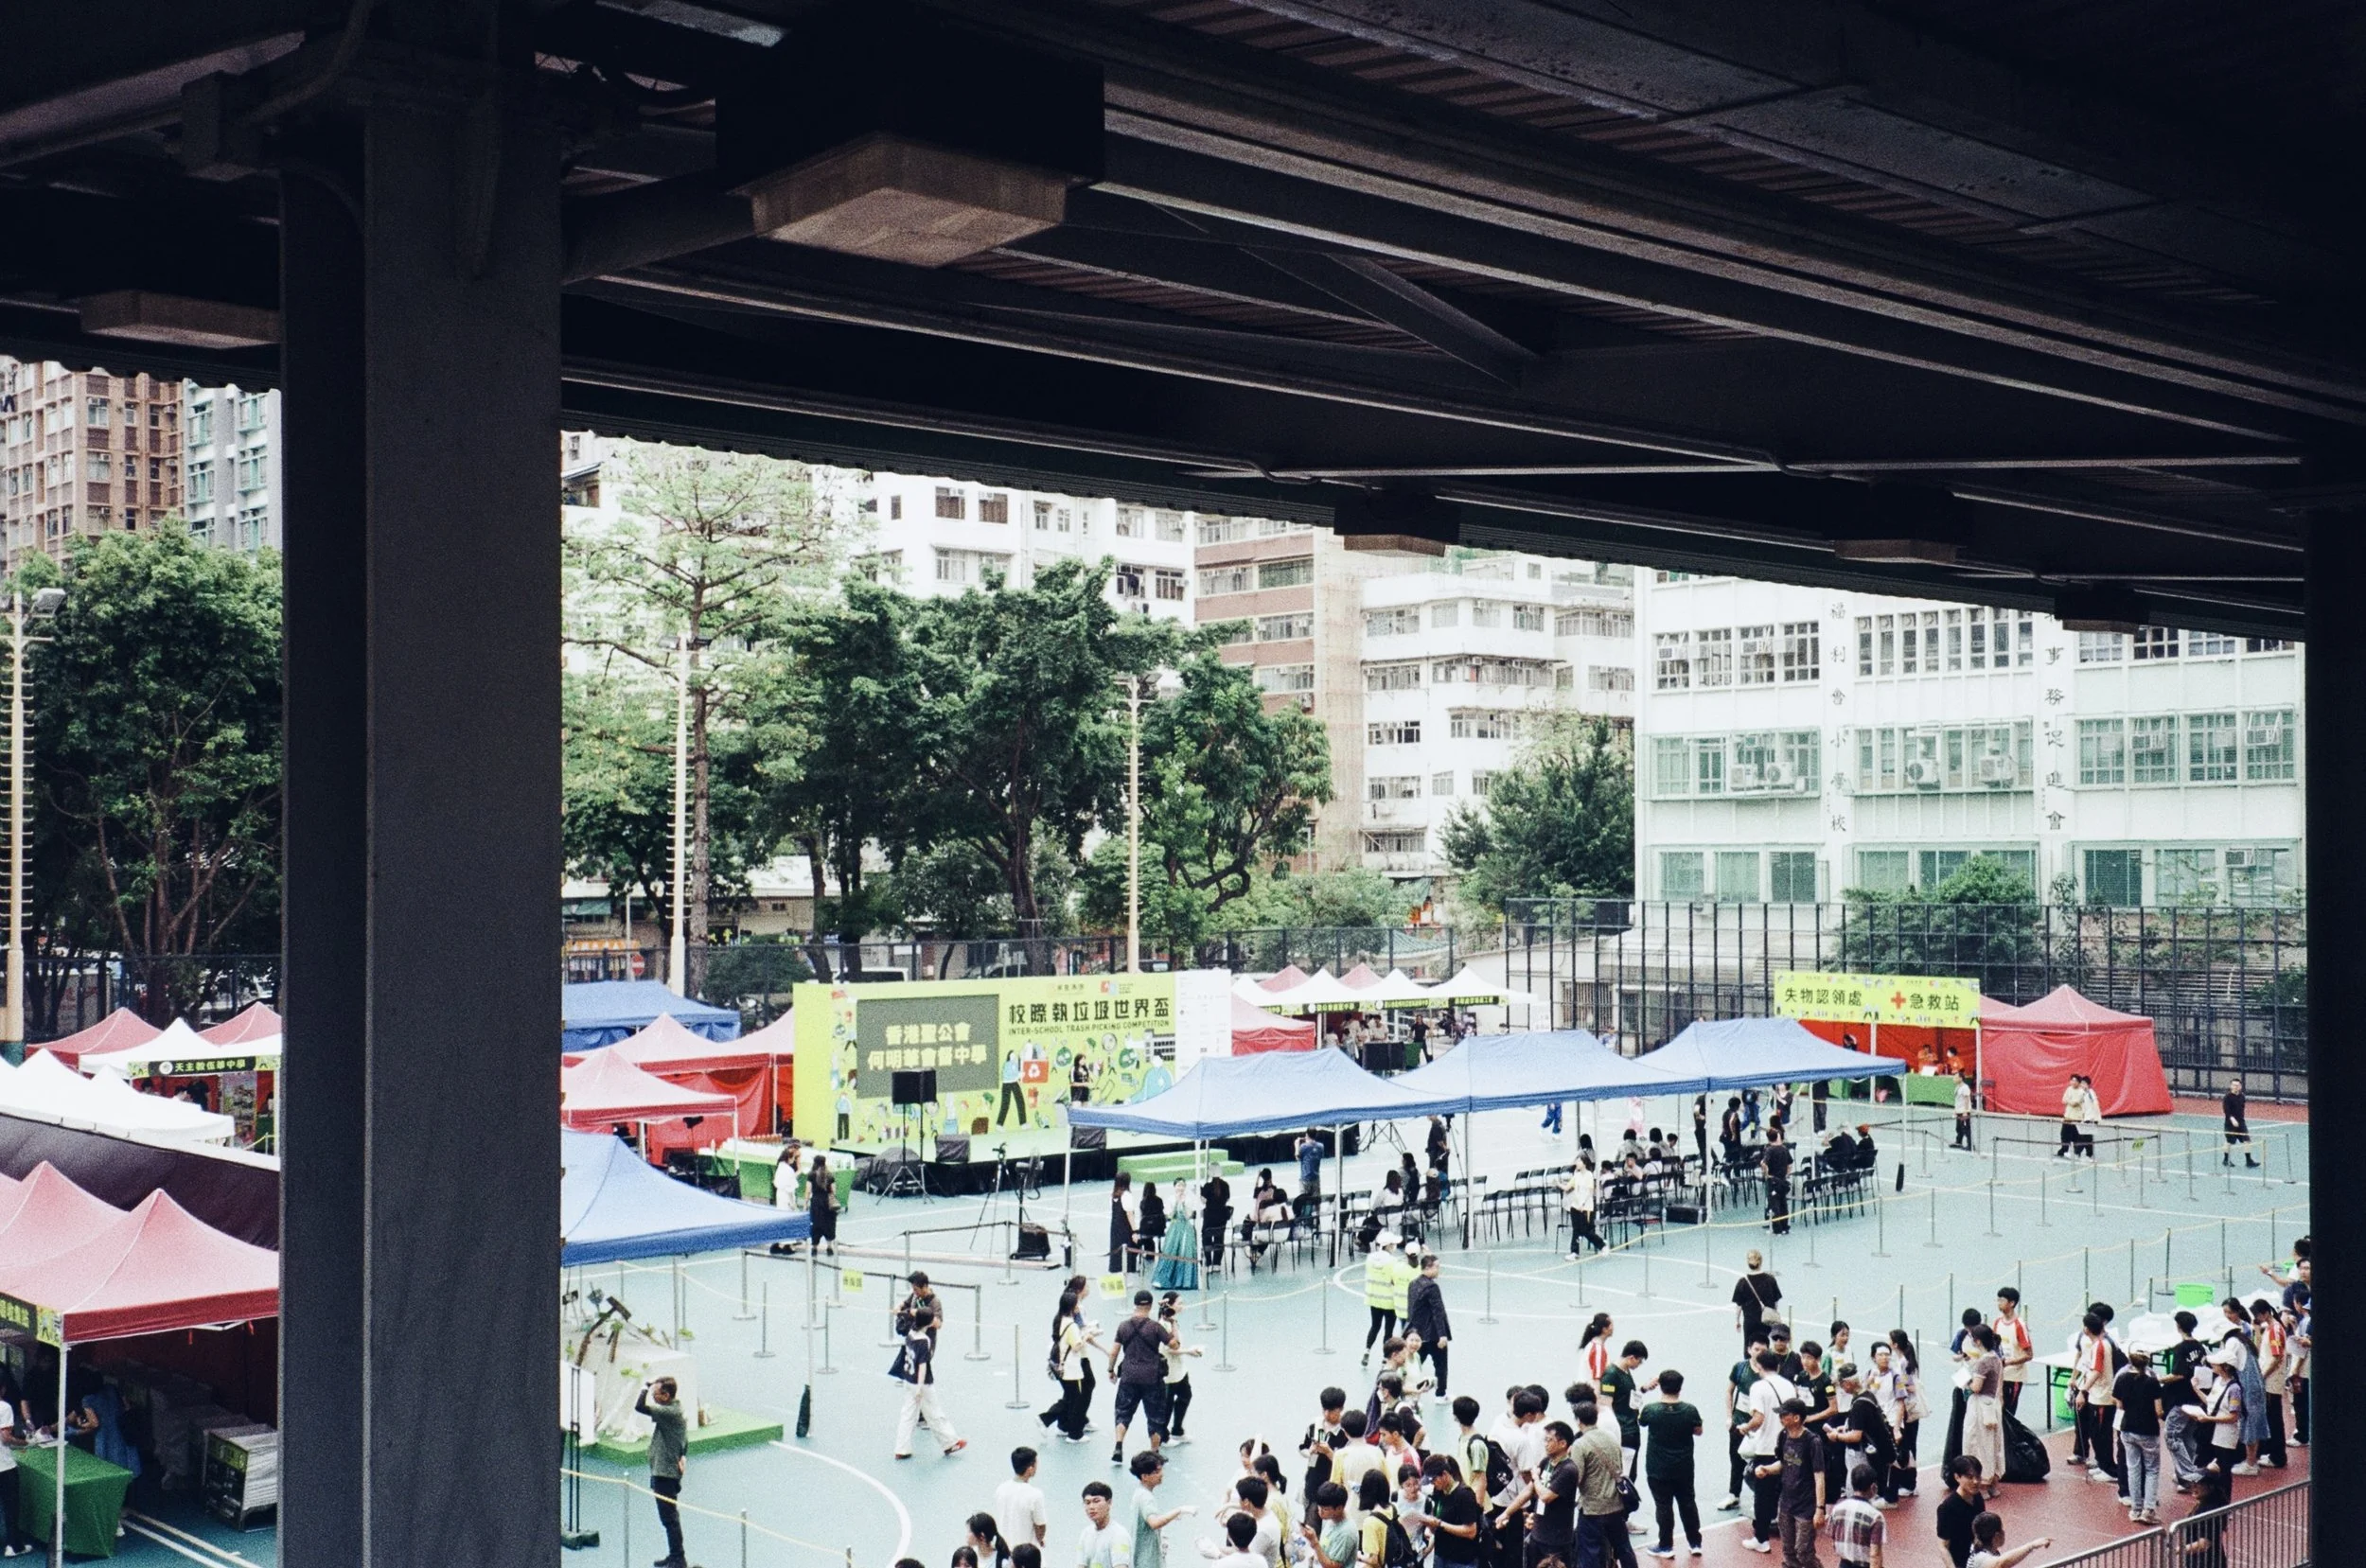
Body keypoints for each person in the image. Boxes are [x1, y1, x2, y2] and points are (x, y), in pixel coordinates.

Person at [1634, 1369, 1702, 1560]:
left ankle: (1666, 1545)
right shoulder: (1690, 1410)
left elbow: (1640, 1420)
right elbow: (1698, 1431)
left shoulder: (1651, 1410)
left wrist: (1644, 1388)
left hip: (1658, 1469)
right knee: (1688, 1503)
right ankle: (1695, 1543)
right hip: (1684, 1467)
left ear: (1661, 1386)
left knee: (1663, 1506)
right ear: (1680, 1388)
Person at [1739, 1349, 1798, 1554]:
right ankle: (1792, 1535)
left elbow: (1758, 1419)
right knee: (1788, 1491)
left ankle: (1761, 1538)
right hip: (1789, 1444)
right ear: (1778, 1366)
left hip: (1767, 1447)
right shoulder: (1789, 1385)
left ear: (1758, 1366)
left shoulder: (1758, 1387)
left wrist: (1744, 1427)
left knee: (1763, 1496)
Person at [1111, 1290, 1176, 1467]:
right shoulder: (1155, 1327)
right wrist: (1173, 1323)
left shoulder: (1123, 1326)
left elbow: (1115, 1351)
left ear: (1135, 1304)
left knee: (1123, 1412)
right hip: (1152, 1378)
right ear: (1150, 1305)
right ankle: (1155, 1453)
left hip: (1129, 1376)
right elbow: (1174, 1345)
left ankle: (1118, 1445)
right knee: (1155, 1416)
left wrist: (1111, 1370)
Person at [1755, 1400, 1823, 1567]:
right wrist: (1767, 1469)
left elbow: (1819, 1476)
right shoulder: (1783, 1436)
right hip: (1786, 1503)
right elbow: (1783, 1463)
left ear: (1796, 1418)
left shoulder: (1812, 1442)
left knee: (1803, 1551)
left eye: (1784, 1415)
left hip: (1805, 1505)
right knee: (1788, 1551)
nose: (1780, 1418)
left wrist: (1820, 1509)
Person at [892, 1304, 966, 1458]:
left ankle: (901, 1448)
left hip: (908, 1379)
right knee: (934, 1412)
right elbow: (923, 1365)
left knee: (907, 1415)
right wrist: (920, 1388)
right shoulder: (924, 1340)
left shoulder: (911, 1333)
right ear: (927, 1323)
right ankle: (950, 1442)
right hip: (922, 1384)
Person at [636, 1376, 691, 1568]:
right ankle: (675, 1554)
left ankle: (679, 1558)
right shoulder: (675, 1410)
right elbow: (684, 1437)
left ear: (666, 1396)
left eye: (655, 1394)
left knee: (670, 1518)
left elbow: (639, 1407)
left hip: (665, 1473)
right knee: (669, 1518)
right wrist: (683, 1455)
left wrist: (644, 1387)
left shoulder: (669, 1412)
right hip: (663, 1470)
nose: (653, 1397)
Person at [1571, 1400, 1633, 1568]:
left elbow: (1576, 1477)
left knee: (1590, 1553)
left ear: (1578, 1420)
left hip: (1592, 1509)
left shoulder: (1580, 1445)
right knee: (1624, 1548)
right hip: (1615, 1505)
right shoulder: (1611, 1437)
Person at [1515, 1420, 1580, 1568]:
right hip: (1538, 1534)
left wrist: (1536, 1477)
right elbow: (1529, 1490)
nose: (1545, 1444)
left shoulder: (1568, 1469)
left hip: (1556, 1541)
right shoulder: (1546, 1462)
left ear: (1563, 1444)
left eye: (1549, 1440)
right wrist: (1507, 1513)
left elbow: (1545, 1496)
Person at [2113, 1348, 2164, 1524]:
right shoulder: (2152, 1382)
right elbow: (2159, 1411)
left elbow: (2119, 1405)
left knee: (2133, 1468)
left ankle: (2136, 1509)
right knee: (2151, 1469)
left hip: (2127, 1428)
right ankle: (2148, 1509)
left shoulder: (2121, 1378)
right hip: (2148, 1429)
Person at [1959, 1328, 2004, 1494]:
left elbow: (1976, 1387)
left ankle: (1981, 1484)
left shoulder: (1983, 1362)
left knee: (1977, 1444)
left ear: (1977, 1341)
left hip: (1979, 1407)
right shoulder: (1996, 1359)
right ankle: (1992, 1483)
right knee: (1993, 1444)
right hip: (1992, 1404)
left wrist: (1965, 1381)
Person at [1128, 1451, 1192, 1568]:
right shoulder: (1146, 1497)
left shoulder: (1139, 1493)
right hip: (1147, 1561)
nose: (1162, 1474)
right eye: (1157, 1472)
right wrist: (1179, 1510)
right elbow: (1155, 1523)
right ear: (1145, 1477)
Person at [1421, 1452, 1483, 1568]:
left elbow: (1470, 1531)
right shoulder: (1439, 1492)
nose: (1433, 1484)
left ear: (1444, 1475)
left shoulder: (1464, 1495)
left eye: (1434, 1480)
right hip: (1441, 1555)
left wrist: (1440, 1524)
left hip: (1461, 1560)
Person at [1157, 1294, 1205, 1443]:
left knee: (1185, 1396)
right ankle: (1163, 1436)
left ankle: (1177, 1430)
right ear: (1170, 1305)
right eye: (1179, 1303)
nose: (1182, 1305)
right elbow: (1169, 1349)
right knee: (1167, 1404)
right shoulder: (1163, 1325)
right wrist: (1189, 1351)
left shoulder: (1173, 1321)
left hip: (1180, 1369)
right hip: (1169, 1372)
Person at [1407, 1252, 1455, 1401]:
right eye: (1437, 1267)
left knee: (1414, 1362)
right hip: (1433, 1334)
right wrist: (1442, 1334)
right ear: (1428, 1267)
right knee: (1441, 1365)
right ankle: (1440, 1394)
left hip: (1418, 1334)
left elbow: (1411, 1309)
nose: (1439, 1270)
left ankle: (1408, 1388)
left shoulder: (1413, 1284)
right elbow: (1438, 1311)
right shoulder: (1432, 1288)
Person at [1363, 1234, 1411, 1365]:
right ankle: (1385, 1357)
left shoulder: (1370, 1258)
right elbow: (1395, 1279)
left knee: (1375, 1326)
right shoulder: (1393, 1262)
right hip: (1389, 1301)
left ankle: (1367, 1350)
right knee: (1388, 1331)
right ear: (1389, 1245)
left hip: (1374, 1298)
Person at [1826, 1465, 1884, 1568]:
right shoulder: (1875, 1516)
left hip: (1844, 1562)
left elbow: (1833, 1539)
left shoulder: (1837, 1509)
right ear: (1873, 1487)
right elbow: (1875, 1554)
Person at [1933, 1458, 1985, 1568]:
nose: (1975, 1481)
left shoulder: (1978, 1497)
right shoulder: (1947, 1508)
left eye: (1978, 1476)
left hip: (1978, 1559)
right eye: (1970, 1477)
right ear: (1957, 1477)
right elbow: (1943, 1546)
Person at [998, 1448, 1051, 1551]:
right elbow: (1040, 1526)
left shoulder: (1001, 1489)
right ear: (1030, 1469)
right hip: (1026, 1551)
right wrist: (1040, 1539)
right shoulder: (1035, 1494)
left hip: (1005, 1549)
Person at [1991, 1289, 2032, 1418]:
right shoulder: (1997, 1322)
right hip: (1998, 1376)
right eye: (1998, 1300)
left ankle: (2010, 1439)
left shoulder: (2019, 1325)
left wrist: (2008, 1362)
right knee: (1996, 1411)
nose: (1999, 1303)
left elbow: (2029, 1355)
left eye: (2002, 1300)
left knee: (2008, 1414)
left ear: (2012, 1303)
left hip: (2013, 1377)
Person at [1732, 1253, 1782, 1350]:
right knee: (1764, 1345)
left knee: (1749, 1346)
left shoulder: (1742, 1282)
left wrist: (1737, 1321)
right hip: (1766, 1320)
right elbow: (1776, 1303)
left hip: (1750, 1321)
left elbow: (1739, 1306)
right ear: (1761, 1263)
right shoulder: (1770, 1280)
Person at [1079, 1482, 1134, 1568]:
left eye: (1096, 1501)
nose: (1091, 1507)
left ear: (1109, 1502)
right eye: (1087, 1503)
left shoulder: (1119, 1535)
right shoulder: (1086, 1534)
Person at [1962, 1513, 2048, 1568]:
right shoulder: (1979, 1557)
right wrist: (2031, 1546)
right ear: (1997, 1536)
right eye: (2001, 1529)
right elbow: (2001, 1563)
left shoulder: (1990, 1552)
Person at [1564, 1157, 1605, 1256]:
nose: (1576, 1163)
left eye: (1578, 1161)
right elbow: (1567, 1188)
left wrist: (1582, 1204)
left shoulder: (1589, 1175)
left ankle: (1602, 1245)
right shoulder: (1576, 1175)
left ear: (1584, 1163)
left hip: (1585, 1207)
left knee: (1586, 1231)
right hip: (1575, 1206)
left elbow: (1590, 1192)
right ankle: (1574, 1252)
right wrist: (1557, 1183)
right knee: (1576, 1230)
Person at [1761, 1129, 1792, 1235]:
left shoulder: (1769, 1150)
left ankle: (1777, 1229)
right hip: (1782, 1180)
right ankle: (1785, 1226)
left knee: (1774, 1205)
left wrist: (1767, 1174)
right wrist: (1786, 1174)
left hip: (1773, 1180)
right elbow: (1790, 1164)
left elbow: (1764, 1164)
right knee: (1783, 1203)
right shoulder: (1784, 1149)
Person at [1201, 1170, 1234, 1270]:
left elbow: (1203, 1201)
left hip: (1209, 1216)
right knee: (1219, 1238)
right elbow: (1227, 1198)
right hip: (1222, 1216)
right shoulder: (1226, 1185)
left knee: (1206, 1236)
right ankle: (1217, 1263)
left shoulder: (1207, 1186)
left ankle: (1209, 1263)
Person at [2221, 1078, 2257, 1168]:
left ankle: (2249, 1161)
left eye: (2237, 1085)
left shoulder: (2242, 1096)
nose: (2235, 1087)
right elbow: (2226, 1111)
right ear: (2230, 1086)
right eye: (2233, 1085)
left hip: (2241, 1123)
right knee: (2229, 1142)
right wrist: (2232, 1119)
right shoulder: (2227, 1097)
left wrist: (2240, 1121)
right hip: (2230, 1123)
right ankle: (2226, 1160)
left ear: (2240, 1087)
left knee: (2247, 1140)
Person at [808, 1153, 838, 1257]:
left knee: (816, 1224)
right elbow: (834, 1191)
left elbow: (808, 1190)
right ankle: (829, 1247)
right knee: (829, 1224)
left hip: (816, 1202)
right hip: (828, 1203)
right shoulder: (830, 1175)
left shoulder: (811, 1175)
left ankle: (814, 1247)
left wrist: (806, 1202)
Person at [1112, 1174, 1139, 1274]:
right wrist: (1135, 1231)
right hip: (1125, 1227)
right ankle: (1126, 1273)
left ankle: (1118, 1270)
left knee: (1117, 1250)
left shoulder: (1114, 1195)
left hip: (1115, 1227)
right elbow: (1129, 1214)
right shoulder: (1126, 1195)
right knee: (1127, 1250)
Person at [1298, 1131, 1327, 1204]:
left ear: (1307, 1135)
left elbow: (1298, 1157)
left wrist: (1296, 1145)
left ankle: (1305, 1214)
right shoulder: (1321, 1146)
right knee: (1317, 1200)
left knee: (1303, 1200)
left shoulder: (1303, 1147)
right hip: (1316, 1177)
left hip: (1305, 1178)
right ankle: (1318, 1214)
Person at [1951, 1073, 1975, 1152]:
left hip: (1964, 1111)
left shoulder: (1965, 1088)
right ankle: (1958, 1142)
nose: (1954, 1079)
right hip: (1958, 1111)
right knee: (1958, 1128)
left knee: (1966, 1129)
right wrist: (1955, 1110)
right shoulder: (1957, 1087)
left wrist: (1965, 1111)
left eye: (1955, 1077)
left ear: (1961, 1078)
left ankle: (1970, 1145)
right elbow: (1957, 1100)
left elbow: (1966, 1099)